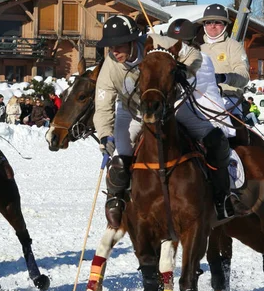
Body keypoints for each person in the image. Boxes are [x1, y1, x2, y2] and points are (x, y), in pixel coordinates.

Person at [94, 15, 234, 227]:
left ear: (133, 41)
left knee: (216, 139)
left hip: (171, 107)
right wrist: (105, 134)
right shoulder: (110, 67)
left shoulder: (158, 43)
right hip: (132, 113)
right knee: (120, 157)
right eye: (110, 47)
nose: (114, 51)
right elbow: (103, 106)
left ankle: (221, 196)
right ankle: (116, 200)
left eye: (119, 45)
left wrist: (183, 72)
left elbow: (194, 55)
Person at [198, 4, 250, 116]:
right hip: (203, 98)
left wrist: (224, 77)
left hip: (229, 98)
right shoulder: (199, 49)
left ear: (225, 25)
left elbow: (244, 76)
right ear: (204, 26)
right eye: (208, 22)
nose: (212, 26)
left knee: (232, 128)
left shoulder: (234, 46)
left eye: (218, 22)